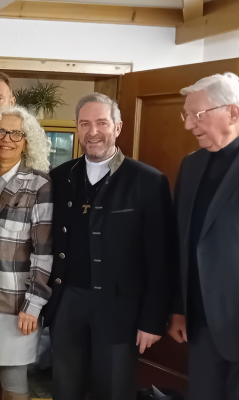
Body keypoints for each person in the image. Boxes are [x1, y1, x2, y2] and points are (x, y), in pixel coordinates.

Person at [43, 93, 175, 400]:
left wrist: (153, 320)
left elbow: (161, 259)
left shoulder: (148, 181)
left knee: (114, 390)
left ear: (117, 127)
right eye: (85, 123)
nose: (93, 132)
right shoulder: (60, 177)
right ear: (76, 128)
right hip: (67, 303)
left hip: (121, 308)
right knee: (65, 388)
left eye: (102, 123)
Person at [169, 73, 239, 399]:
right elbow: (184, 241)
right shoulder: (191, 166)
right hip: (201, 328)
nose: (189, 125)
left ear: (232, 112)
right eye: (186, 115)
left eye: (197, 115)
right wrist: (179, 306)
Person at [0, 106, 52, 400]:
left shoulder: (40, 185)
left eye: (16, 133)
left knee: (14, 377)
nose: (7, 139)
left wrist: (34, 303)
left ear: (27, 140)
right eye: (0, 131)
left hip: (16, 300)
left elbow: (44, 252)